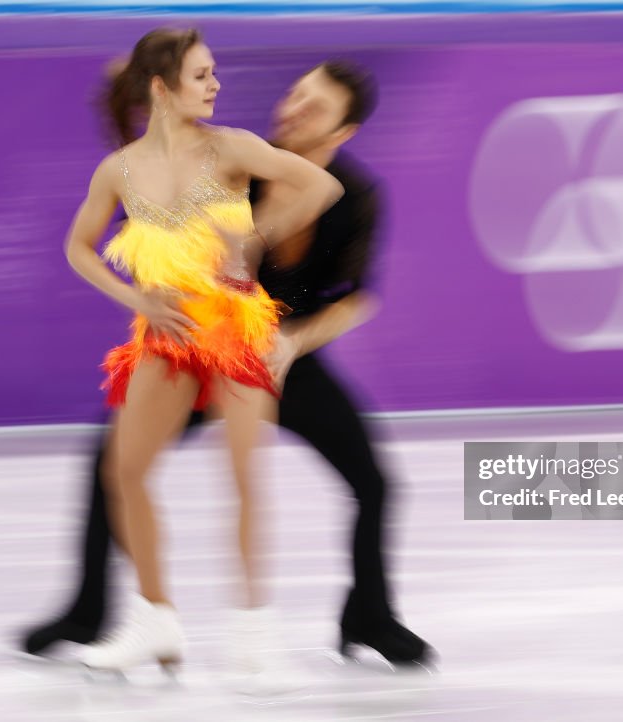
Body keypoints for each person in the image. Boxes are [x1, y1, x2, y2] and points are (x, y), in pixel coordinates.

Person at [25, 58, 433, 670]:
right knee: (113, 461)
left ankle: (369, 615)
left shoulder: (358, 197)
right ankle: (91, 613)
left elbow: (357, 298)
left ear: (342, 133)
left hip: (280, 356)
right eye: (296, 93)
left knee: (374, 483)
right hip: (202, 350)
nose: (293, 109)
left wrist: (293, 344)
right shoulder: (234, 159)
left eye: (314, 107)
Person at [61, 27, 343, 673]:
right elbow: (78, 246)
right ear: (161, 87)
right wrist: (139, 302)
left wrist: (255, 240)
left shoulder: (232, 148)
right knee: (124, 472)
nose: (216, 85)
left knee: (244, 475)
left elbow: (321, 188)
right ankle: (155, 620)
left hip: (235, 332)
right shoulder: (120, 169)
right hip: (167, 335)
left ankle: (253, 631)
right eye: (201, 75)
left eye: (215, 73)